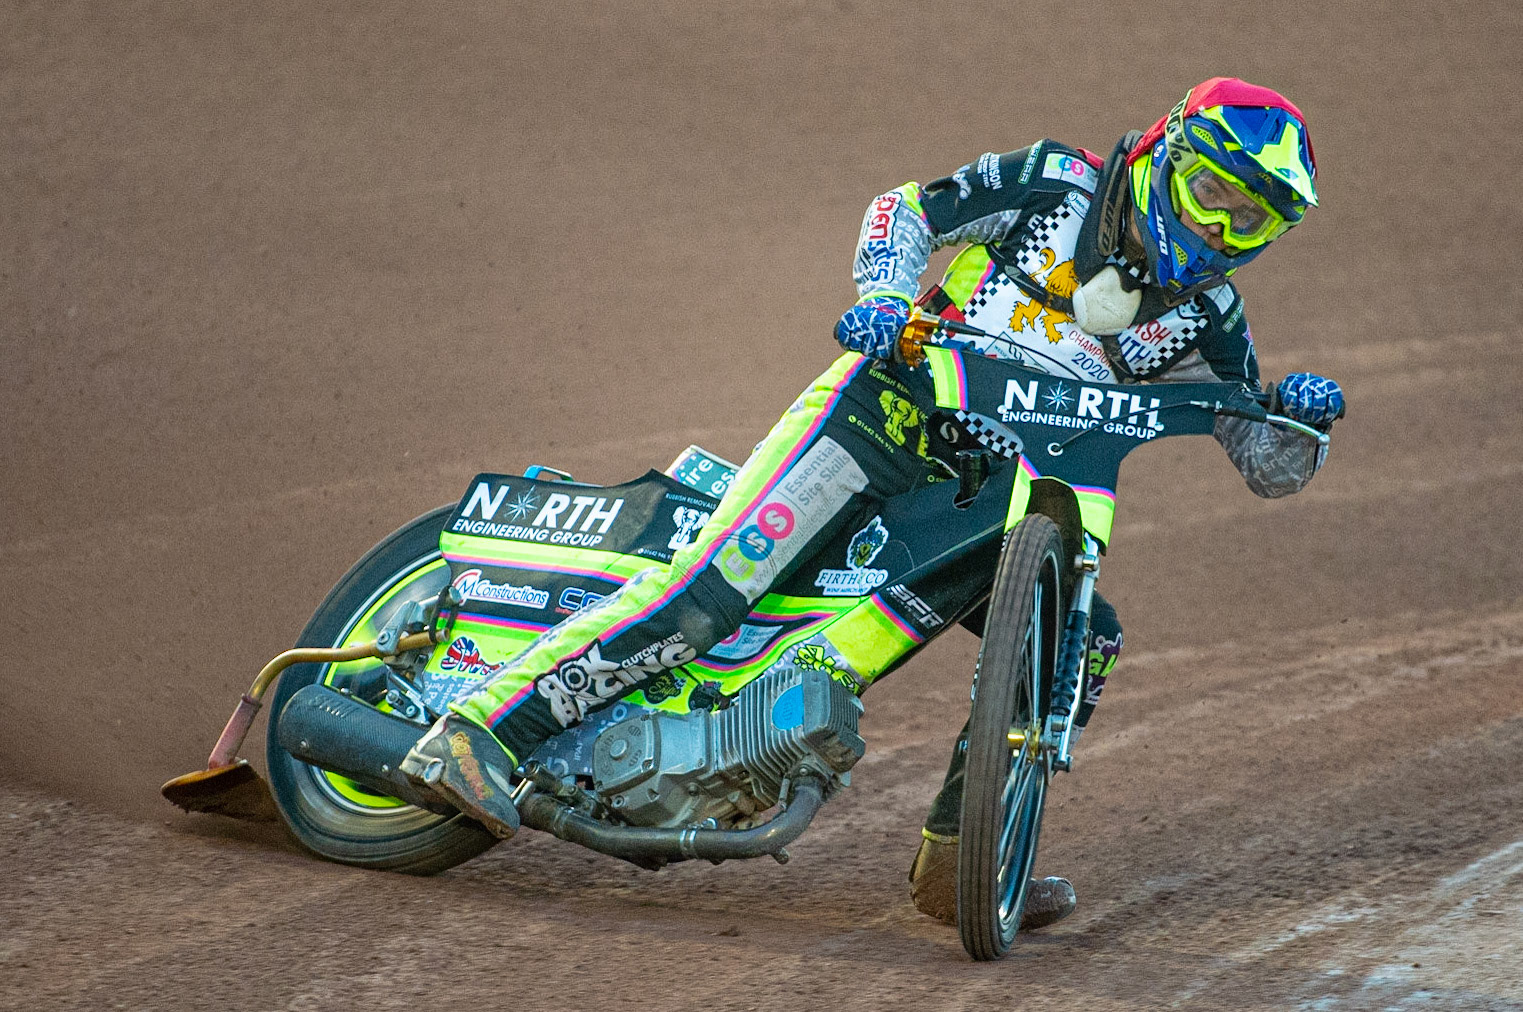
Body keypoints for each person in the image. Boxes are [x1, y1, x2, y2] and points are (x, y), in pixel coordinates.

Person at [400, 77, 1344, 933]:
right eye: (1212, 195)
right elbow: (905, 212)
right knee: (713, 588)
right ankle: (480, 730)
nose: (1221, 230)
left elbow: (1260, 459)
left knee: (1080, 633)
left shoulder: (1208, 312)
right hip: (881, 414)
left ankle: (961, 860)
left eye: (1251, 221)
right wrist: (886, 298)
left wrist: (1297, 427)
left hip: (991, 494)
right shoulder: (1058, 181)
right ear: (1163, 158)